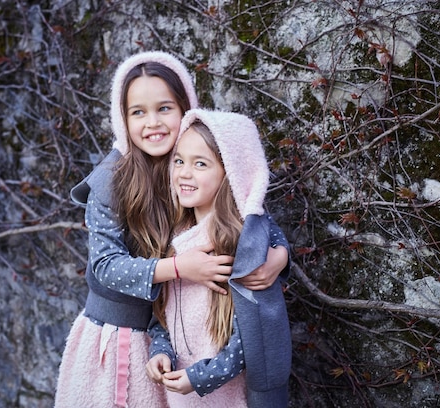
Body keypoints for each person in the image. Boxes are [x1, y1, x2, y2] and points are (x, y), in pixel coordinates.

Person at [54, 52, 289, 408]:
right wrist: (180, 268)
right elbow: (105, 267)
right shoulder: (111, 182)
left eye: (164, 108)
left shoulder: (196, 166)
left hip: (178, 342)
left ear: (185, 108)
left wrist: (279, 256)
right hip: (123, 335)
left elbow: (249, 209)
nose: (153, 122)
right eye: (138, 112)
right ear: (122, 119)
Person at [146, 109, 292, 408]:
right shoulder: (173, 237)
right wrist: (160, 351)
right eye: (179, 160)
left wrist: (201, 378)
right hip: (179, 395)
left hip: (226, 397)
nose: (184, 172)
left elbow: (252, 337)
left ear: (231, 174)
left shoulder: (242, 247)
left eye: (200, 163)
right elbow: (161, 316)